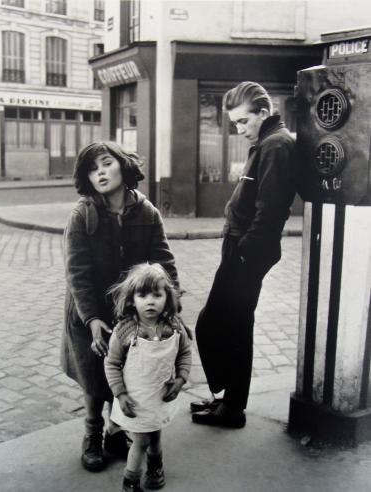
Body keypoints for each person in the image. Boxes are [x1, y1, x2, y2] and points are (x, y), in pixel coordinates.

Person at [61, 141, 180, 472]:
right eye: (91, 168)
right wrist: (92, 319)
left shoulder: (147, 212)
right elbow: (77, 273)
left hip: (131, 312)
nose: (99, 171)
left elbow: (164, 262)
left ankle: (115, 433)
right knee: (94, 378)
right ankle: (92, 434)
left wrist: (174, 303)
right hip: (89, 312)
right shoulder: (82, 215)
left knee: (124, 371)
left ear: (123, 165)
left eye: (105, 163)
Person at [191, 81, 297, 428]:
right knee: (231, 326)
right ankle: (228, 401)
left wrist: (243, 255)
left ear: (263, 113)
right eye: (235, 123)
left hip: (247, 250)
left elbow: (270, 212)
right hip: (240, 246)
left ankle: (232, 408)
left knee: (214, 326)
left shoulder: (276, 145)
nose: (238, 130)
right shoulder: (265, 141)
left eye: (242, 122)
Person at [105, 263, 192, 492]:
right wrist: (120, 394)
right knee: (141, 440)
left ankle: (155, 467)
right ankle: (130, 482)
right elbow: (112, 363)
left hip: (160, 396)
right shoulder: (125, 331)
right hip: (134, 399)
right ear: (133, 299)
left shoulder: (173, 327)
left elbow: (184, 353)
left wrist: (181, 379)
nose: (150, 301)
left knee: (155, 433)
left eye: (157, 294)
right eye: (143, 295)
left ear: (167, 297)